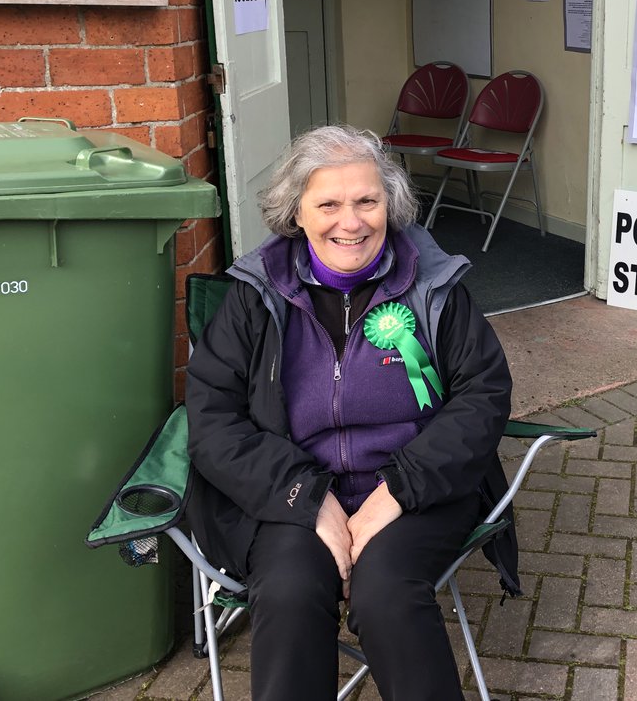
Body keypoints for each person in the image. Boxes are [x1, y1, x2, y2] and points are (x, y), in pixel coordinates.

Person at [185, 124, 517, 700]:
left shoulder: (434, 285)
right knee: (287, 591)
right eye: (329, 204)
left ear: (391, 204)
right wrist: (306, 500)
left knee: (387, 592)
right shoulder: (254, 294)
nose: (352, 221)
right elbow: (213, 418)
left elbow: (482, 396)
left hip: (417, 492)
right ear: (297, 214)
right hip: (290, 496)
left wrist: (399, 490)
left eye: (368, 200)